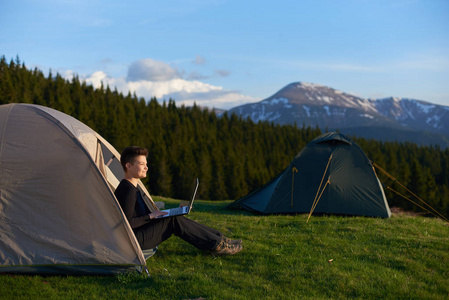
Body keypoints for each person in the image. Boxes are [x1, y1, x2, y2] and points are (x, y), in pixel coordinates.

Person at [114, 146, 242, 255]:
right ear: (129, 166)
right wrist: (152, 216)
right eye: (142, 164)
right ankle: (217, 245)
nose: (146, 167)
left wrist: (163, 213)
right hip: (134, 239)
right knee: (173, 220)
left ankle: (220, 239)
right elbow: (127, 223)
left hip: (140, 232)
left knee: (175, 216)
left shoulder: (132, 187)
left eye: (146, 164)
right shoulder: (128, 190)